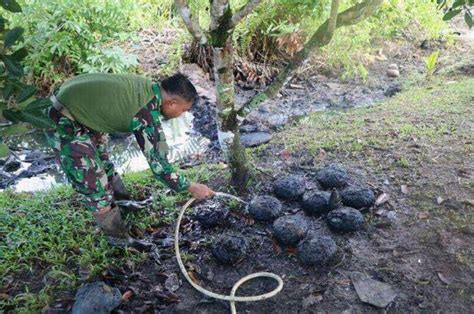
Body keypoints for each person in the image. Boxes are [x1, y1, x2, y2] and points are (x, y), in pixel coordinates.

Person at [45, 73, 215, 249]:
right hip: (64, 118)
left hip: (76, 107)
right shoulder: (144, 113)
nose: (182, 115)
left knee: (103, 162)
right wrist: (193, 187)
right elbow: (161, 169)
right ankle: (119, 240)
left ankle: (122, 202)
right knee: (93, 182)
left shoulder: (149, 89)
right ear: (172, 103)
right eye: (183, 110)